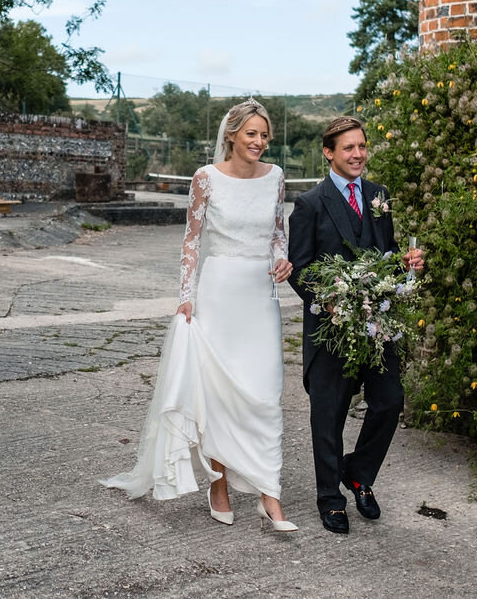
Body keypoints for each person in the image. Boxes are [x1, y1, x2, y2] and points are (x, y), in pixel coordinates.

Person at [101, 98, 297, 532]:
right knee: (218, 395)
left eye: (265, 135)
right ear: (231, 135)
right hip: (218, 293)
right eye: (251, 134)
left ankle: (270, 494)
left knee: (265, 394)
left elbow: (278, 234)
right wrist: (186, 297)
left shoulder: (276, 178)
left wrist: (283, 260)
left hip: (259, 297)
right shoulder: (205, 179)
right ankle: (219, 485)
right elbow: (192, 241)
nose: (259, 142)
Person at [288, 115, 424, 535]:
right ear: (329, 152)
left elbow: (388, 253)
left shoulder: (380, 196)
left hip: (377, 325)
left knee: (389, 401)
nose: (358, 154)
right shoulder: (310, 203)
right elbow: (300, 268)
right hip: (332, 328)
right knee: (329, 415)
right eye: (348, 147)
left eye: (362, 146)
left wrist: (407, 265)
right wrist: (329, 301)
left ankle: (358, 473)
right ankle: (330, 497)